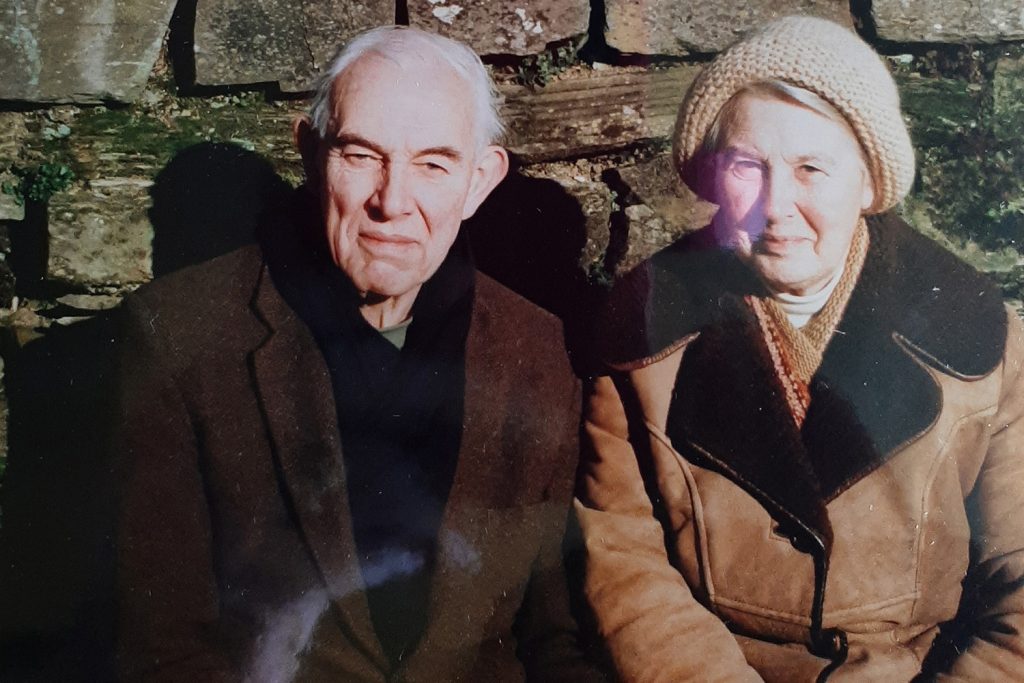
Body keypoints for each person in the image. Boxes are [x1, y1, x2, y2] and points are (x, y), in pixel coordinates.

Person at [116, 26, 602, 682]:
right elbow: (160, 648)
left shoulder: (534, 347)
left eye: (433, 164)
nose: (392, 202)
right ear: (312, 156)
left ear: (480, 181)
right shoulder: (181, 335)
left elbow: (554, 639)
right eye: (361, 155)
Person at [575, 15, 1024, 682]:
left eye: (812, 167)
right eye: (747, 168)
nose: (776, 205)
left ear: (869, 184)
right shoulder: (643, 341)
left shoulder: (978, 337)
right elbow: (623, 561)